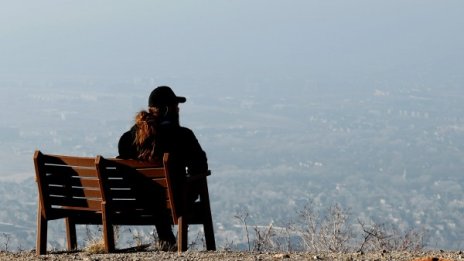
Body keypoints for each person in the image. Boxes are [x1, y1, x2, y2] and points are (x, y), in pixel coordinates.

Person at [118, 86, 208, 250]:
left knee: (156, 194)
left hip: (138, 201)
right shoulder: (183, 136)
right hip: (174, 201)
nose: (179, 110)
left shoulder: (128, 138)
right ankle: (171, 242)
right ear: (167, 110)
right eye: (176, 107)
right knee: (182, 189)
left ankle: (167, 240)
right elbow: (200, 166)